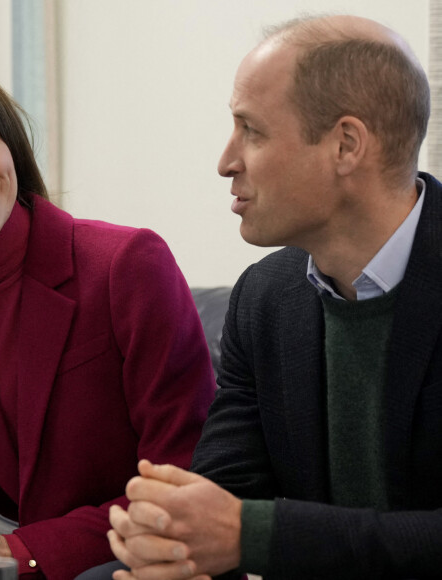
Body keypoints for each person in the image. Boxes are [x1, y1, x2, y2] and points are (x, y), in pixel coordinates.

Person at [104, 14, 442, 580]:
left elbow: (244, 530)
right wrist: (170, 541)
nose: (225, 162)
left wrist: (258, 535)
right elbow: (223, 494)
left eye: (251, 131)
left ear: (346, 145)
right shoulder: (264, 298)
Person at [0, 47, 216, 579]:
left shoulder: (127, 264)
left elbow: (184, 485)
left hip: (150, 563)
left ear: (8, 144)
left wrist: (19, 550)